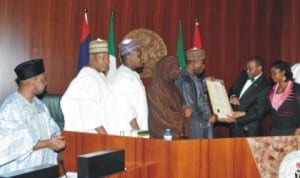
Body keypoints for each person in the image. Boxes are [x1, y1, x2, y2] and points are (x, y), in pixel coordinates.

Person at [0, 59, 65, 175]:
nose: (46, 82)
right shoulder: (11, 108)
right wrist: (48, 143)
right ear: (33, 80)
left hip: (42, 169)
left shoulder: (40, 105)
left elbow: (53, 129)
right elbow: (17, 144)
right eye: (43, 79)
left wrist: (57, 140)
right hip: (20, 172)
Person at [61, 38, 116, 134]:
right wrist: (107, 138)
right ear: (91, 57)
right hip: (92, 139)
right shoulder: (87, 79)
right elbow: (91, 117)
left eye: (107, 58)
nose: (106, 61)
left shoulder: (99, 76)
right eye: (102, 57)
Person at [175, 48, 217, 139]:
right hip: (196, 125)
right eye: (202, 63)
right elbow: (191, 107)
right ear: (193, 62)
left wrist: (206, 84)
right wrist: (207, 118)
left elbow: (197, 93)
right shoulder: (185, 80)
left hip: (202, 123)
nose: (203, 66)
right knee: (198, 151)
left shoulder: (192, 76)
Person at [148, 56, 192, 139]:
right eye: (176, 68)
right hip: (161, 136)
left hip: (176, 136)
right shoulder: (156, 89)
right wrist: (183, 113)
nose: (179, 71)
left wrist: (185, 107)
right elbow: (162, 115)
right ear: (167, 69)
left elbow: (181, 102)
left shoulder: (172, 86)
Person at [227, 56, 270, 137]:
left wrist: (243, 114)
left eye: (250, 68)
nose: (247, 71)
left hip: (249, 128)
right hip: (234, 126)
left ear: (259, 68)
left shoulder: (265, 86)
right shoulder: (244, 74)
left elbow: (259, 110)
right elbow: (233, 89)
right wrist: (233, 96)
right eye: (246, 68)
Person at [113, 39, 148, 132]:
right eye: (138, 55)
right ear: (128, 56)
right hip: (131, 134)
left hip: (136, 132)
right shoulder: (123, 78)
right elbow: (128, 110)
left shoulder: (131, 74)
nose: (142, 58)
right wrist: (140, 134)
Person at [268, 60, 300, 136]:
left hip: (293, 131)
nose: (271, 76)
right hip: (275, 131)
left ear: (283, 72)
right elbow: (261, 108)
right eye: (271, 73)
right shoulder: (271, 90)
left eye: (274, 73)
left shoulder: (297, 89)